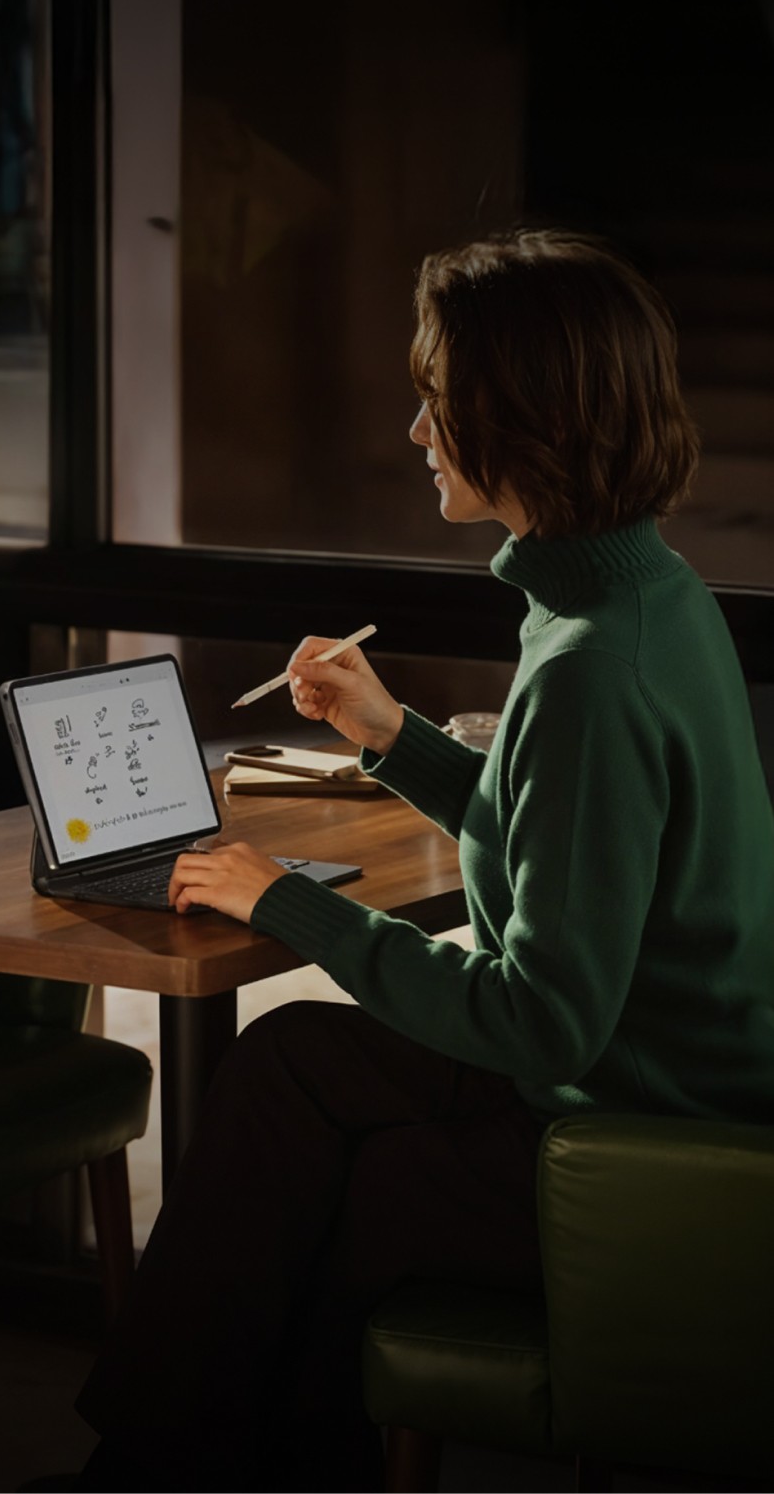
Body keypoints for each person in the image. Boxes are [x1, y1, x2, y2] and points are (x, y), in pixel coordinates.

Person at [70, 228, 774, 1492]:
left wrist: (293, 902)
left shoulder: (592, 667)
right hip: (643, 1069)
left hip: (645, 1126)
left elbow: (544, 1016)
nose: (415, 430)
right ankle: (161, 1462)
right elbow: (572, 844)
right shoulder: (642, 598)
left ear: (525, 418)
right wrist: (394, 738)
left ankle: (170, 1469)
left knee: (362, 1194)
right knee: (286, 1063)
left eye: (436, 399)